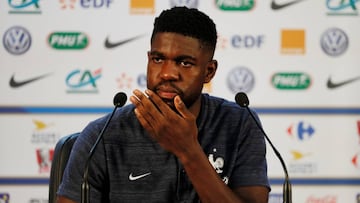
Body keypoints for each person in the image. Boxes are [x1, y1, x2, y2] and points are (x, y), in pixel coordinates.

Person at [56, 6, 270, 203]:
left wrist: (188, 150)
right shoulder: (102, 136)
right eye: (158, 59)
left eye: (185, 63)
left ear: (209, 71)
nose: (167, 74)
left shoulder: (239, 123)